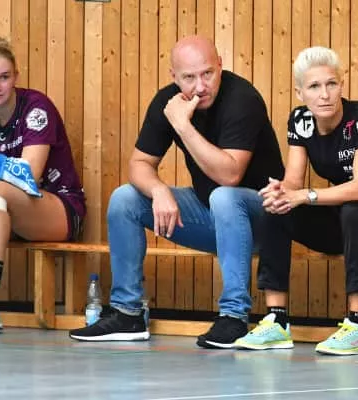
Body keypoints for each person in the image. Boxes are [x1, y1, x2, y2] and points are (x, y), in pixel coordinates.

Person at [69, 35, 284, 348]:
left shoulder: (242, 99)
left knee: (224, 196)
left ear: (220, 66)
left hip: (265, 221)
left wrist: (183, 125)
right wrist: (158, 190)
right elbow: (139, 164)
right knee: (125, 199)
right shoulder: (167, 102)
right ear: (174, 76)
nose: (200, 86)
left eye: (208, 73)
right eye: (189, 77)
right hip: (213, 216)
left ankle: (234, 317)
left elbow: (230, 174)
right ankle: (127, 314)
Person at [234, 46, 358, 355]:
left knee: (353, 209)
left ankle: (357, 327)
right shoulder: (300, 121)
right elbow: (294, 182)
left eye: (331, 84)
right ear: (300, 93)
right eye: (314, 86)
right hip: (351, 224)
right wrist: (282, 192)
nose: (324, 94)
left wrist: (305, 195)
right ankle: (276, 321)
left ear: (341, 85)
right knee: (277, 209)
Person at [0, 34, 86, 336]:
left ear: (16, 78)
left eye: (4, 77)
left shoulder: (36, 108)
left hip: (58, 208)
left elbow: (29, 174)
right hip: (1, 210)